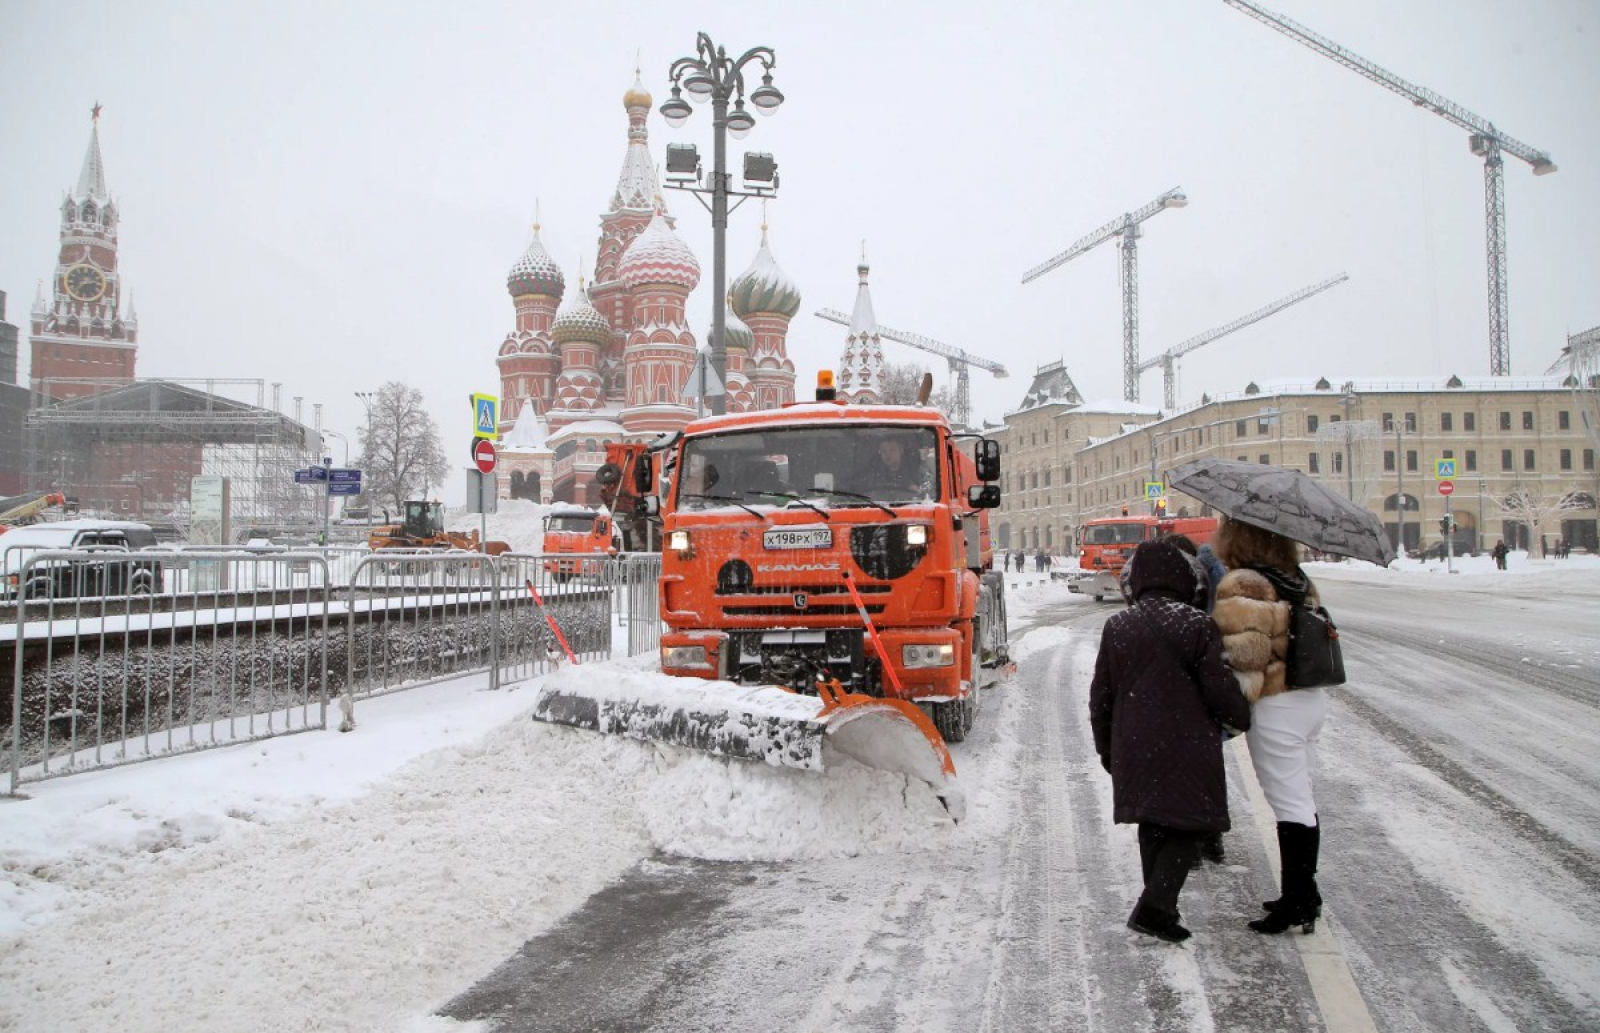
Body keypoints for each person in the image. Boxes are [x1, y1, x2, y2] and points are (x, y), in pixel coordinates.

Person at [1089, 540, 1252, 944]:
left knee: (1153, 822)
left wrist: (1106, 748)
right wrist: (1239, 716)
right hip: (1187, 741)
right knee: (1191, 823)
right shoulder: (1196, 624)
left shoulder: (1118, 626)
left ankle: (1162, 909)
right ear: (1183, 578)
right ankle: (1156, 906)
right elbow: (1218, 686)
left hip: (1134, 742)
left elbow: (1100, 696)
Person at [1210, 515, 1329, 936]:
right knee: (1299, 798)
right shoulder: (1297, 578)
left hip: (1277, 703)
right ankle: (1303, 893)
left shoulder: (1243, 585)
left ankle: (1298, 900)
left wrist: (1226, 712)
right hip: (1309, 697)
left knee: (1290, 804)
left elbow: (1245, 658)